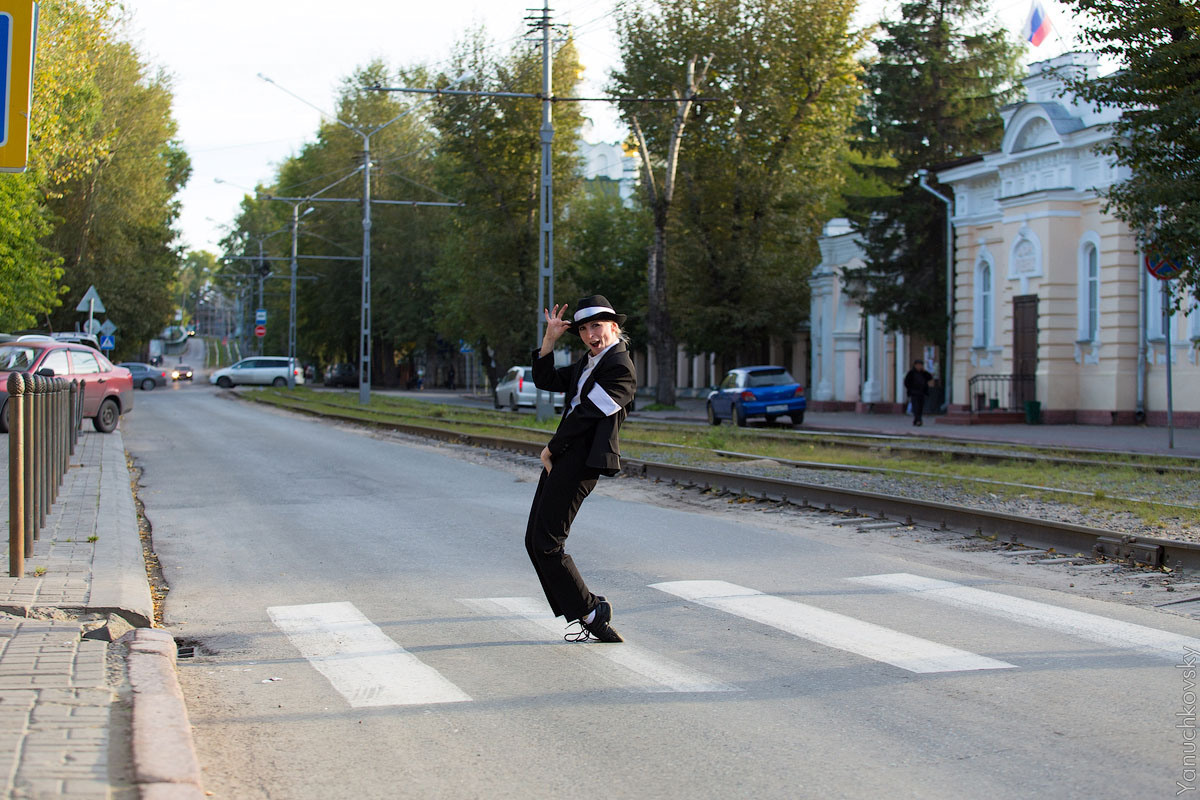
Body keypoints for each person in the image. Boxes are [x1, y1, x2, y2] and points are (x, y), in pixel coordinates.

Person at [524, 295, 636, 643]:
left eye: (597, 326)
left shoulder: (621, 368)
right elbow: (544, 380)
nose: (590, 334)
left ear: (614, 327)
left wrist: (551, 448)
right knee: (534, 540)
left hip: (582, 460)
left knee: (547, 541)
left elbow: (587, 414)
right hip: (564, 457)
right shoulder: (588, 363)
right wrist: (549, 340)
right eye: (585, 328)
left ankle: (589, 611)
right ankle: (585, 610)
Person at [903, 359, 936, 427]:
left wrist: (924, 371)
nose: (919, 366)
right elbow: (906, 382)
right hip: (914, 393)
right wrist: (910, 389)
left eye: (920, 365)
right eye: (918, 365)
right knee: (916, 407)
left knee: (920, 407)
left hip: (922, 392)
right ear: (915, 365)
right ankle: (918, 420)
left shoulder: (923, 373)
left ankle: (917, 420)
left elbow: (929, 377)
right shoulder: (911, 373)